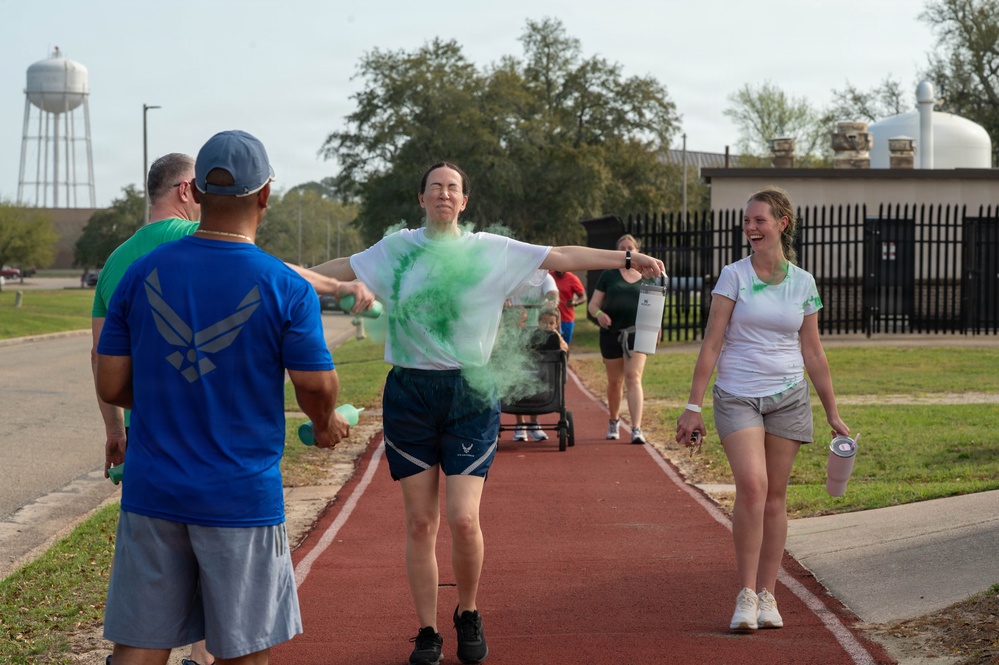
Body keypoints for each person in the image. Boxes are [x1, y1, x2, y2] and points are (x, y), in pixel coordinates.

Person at [311, 161, 665, 665]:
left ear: (464, 201)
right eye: (435, 187)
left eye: (452, 188)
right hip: (410, 392)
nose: (443, 194)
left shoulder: (490, 250)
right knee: (420, 523)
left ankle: (469, 611)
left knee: (463, 519)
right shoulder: (397, 249)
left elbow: (561, 255)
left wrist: (628, 256)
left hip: (470, 392)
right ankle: (427, 630)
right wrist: (279, 274)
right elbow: (343, 267)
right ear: (421, 199)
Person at [95, 130, 354, 665]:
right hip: (240, 497)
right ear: (265, 196)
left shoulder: (140, 273)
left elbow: (111, 383)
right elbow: (313, 384)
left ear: (196, 192)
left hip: (153, 491)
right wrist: (326, 422)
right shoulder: (285, 284)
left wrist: (168, 399)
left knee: (139, 646)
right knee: (242, 649)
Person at [674, 187, 849, 633]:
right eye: (747, 221)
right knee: (753, 487)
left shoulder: (803, 282)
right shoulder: (733, 275)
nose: (750, 228)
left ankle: (769, 595)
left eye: (759, 221)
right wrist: (693, 406)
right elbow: (712, 341)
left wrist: (832, 412)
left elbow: (813, 352)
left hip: (788, 396)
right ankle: (746, 594)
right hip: (738, 394)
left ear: (781, 224)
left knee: (775, 496)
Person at [586, 234, 652, 445]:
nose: (626, 251)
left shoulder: (646, 274)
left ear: (637, 250)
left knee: (634, 377)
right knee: (615, 382)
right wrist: (599, 315)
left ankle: (636, 428)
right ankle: (614, 421)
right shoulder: (608, 274)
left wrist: (655, 326)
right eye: (622, 248)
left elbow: (655, 303)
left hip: (637, 332)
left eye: (630, 248)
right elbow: (593, 305)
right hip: (611, 333)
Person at [549, 269, 586, 343]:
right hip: (550, 318)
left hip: (566, 318)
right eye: (557, 269)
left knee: (564, 344)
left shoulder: (572, 278)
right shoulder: (549, 276)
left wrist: (575, 302)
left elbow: (583, 297)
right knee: (549, 344)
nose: (560, 271)